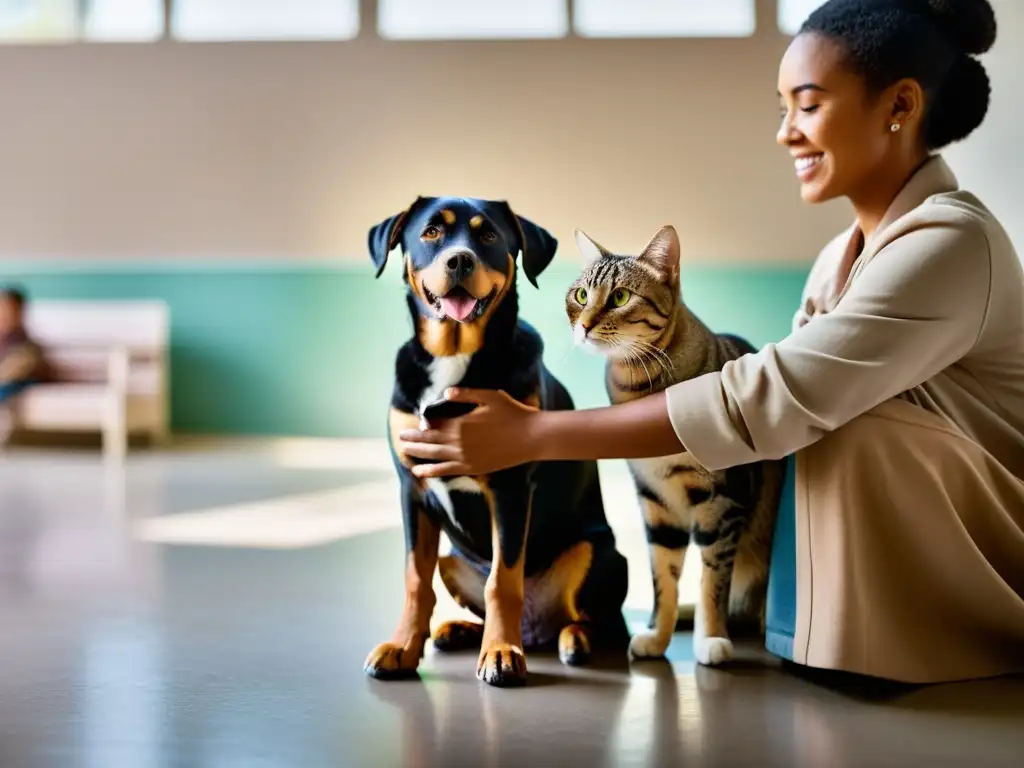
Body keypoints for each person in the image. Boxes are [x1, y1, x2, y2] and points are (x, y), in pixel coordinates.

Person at [398, 0, 1024, 684]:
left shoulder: (949, 244)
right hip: (837, 593)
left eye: (806, 106)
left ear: (898, 106)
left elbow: (772, 400)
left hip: (963, 586)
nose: (786, 133)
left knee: (843, 420)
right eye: (781, 108)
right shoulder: (840, 259)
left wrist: (539, 434)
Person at [0, 286, 46, 414]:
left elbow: (18, 369)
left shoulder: (26, 345)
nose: (5, 315)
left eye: (10, 310)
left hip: (15, 384)